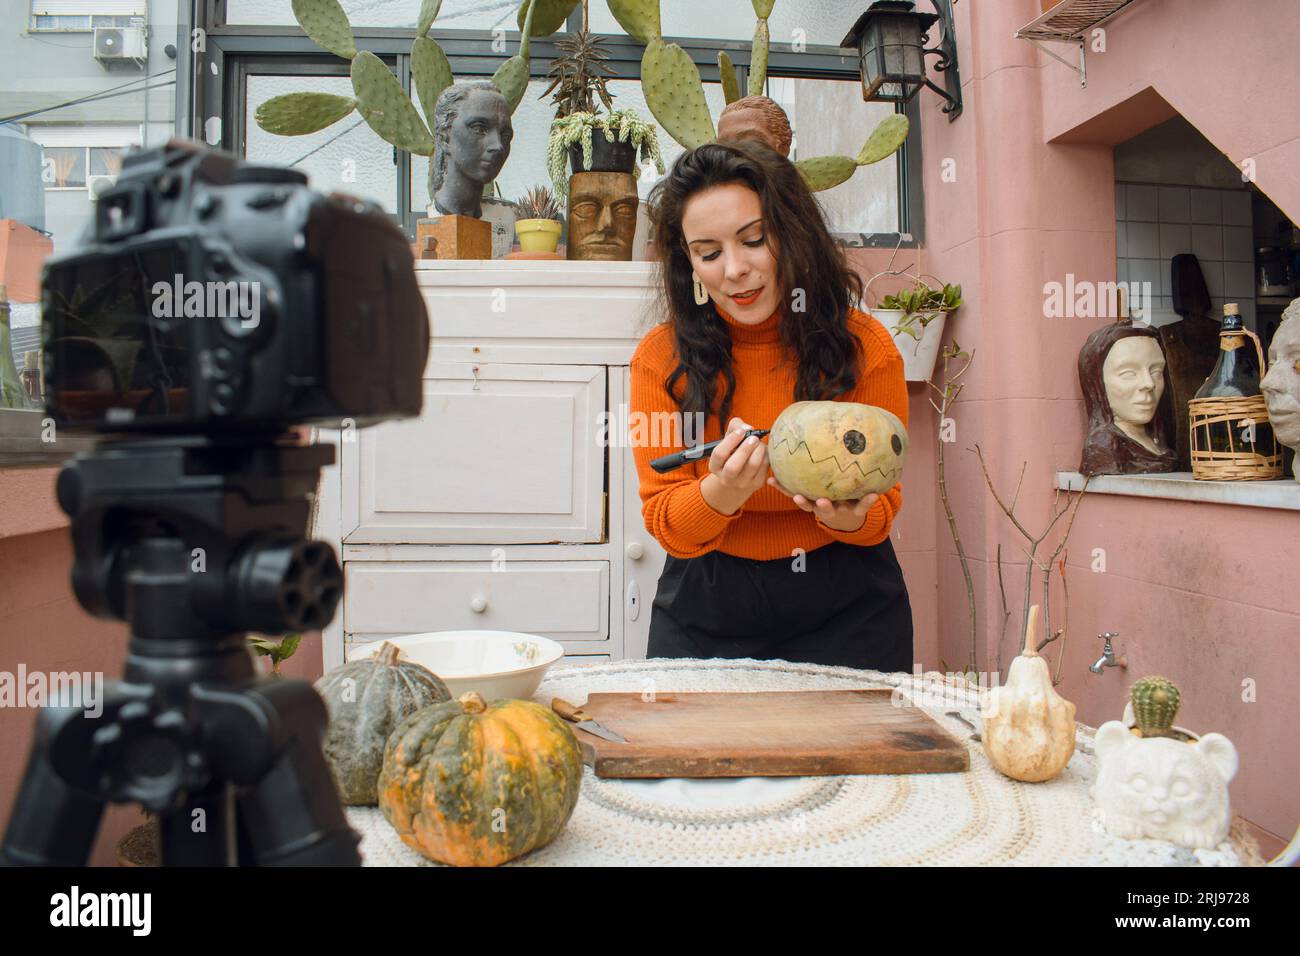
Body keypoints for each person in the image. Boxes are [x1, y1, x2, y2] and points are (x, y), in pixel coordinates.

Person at [629, 139, 913, 672]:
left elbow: (881, 513)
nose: (734, 269)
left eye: (754, 240)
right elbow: (665, 521)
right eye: (708, 253)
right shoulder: (659, 359)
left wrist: (851, 516)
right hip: (706, 602)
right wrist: (723, 492)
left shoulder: (866, 346)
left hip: (849, 602)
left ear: (793, 233)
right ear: (689, 264)